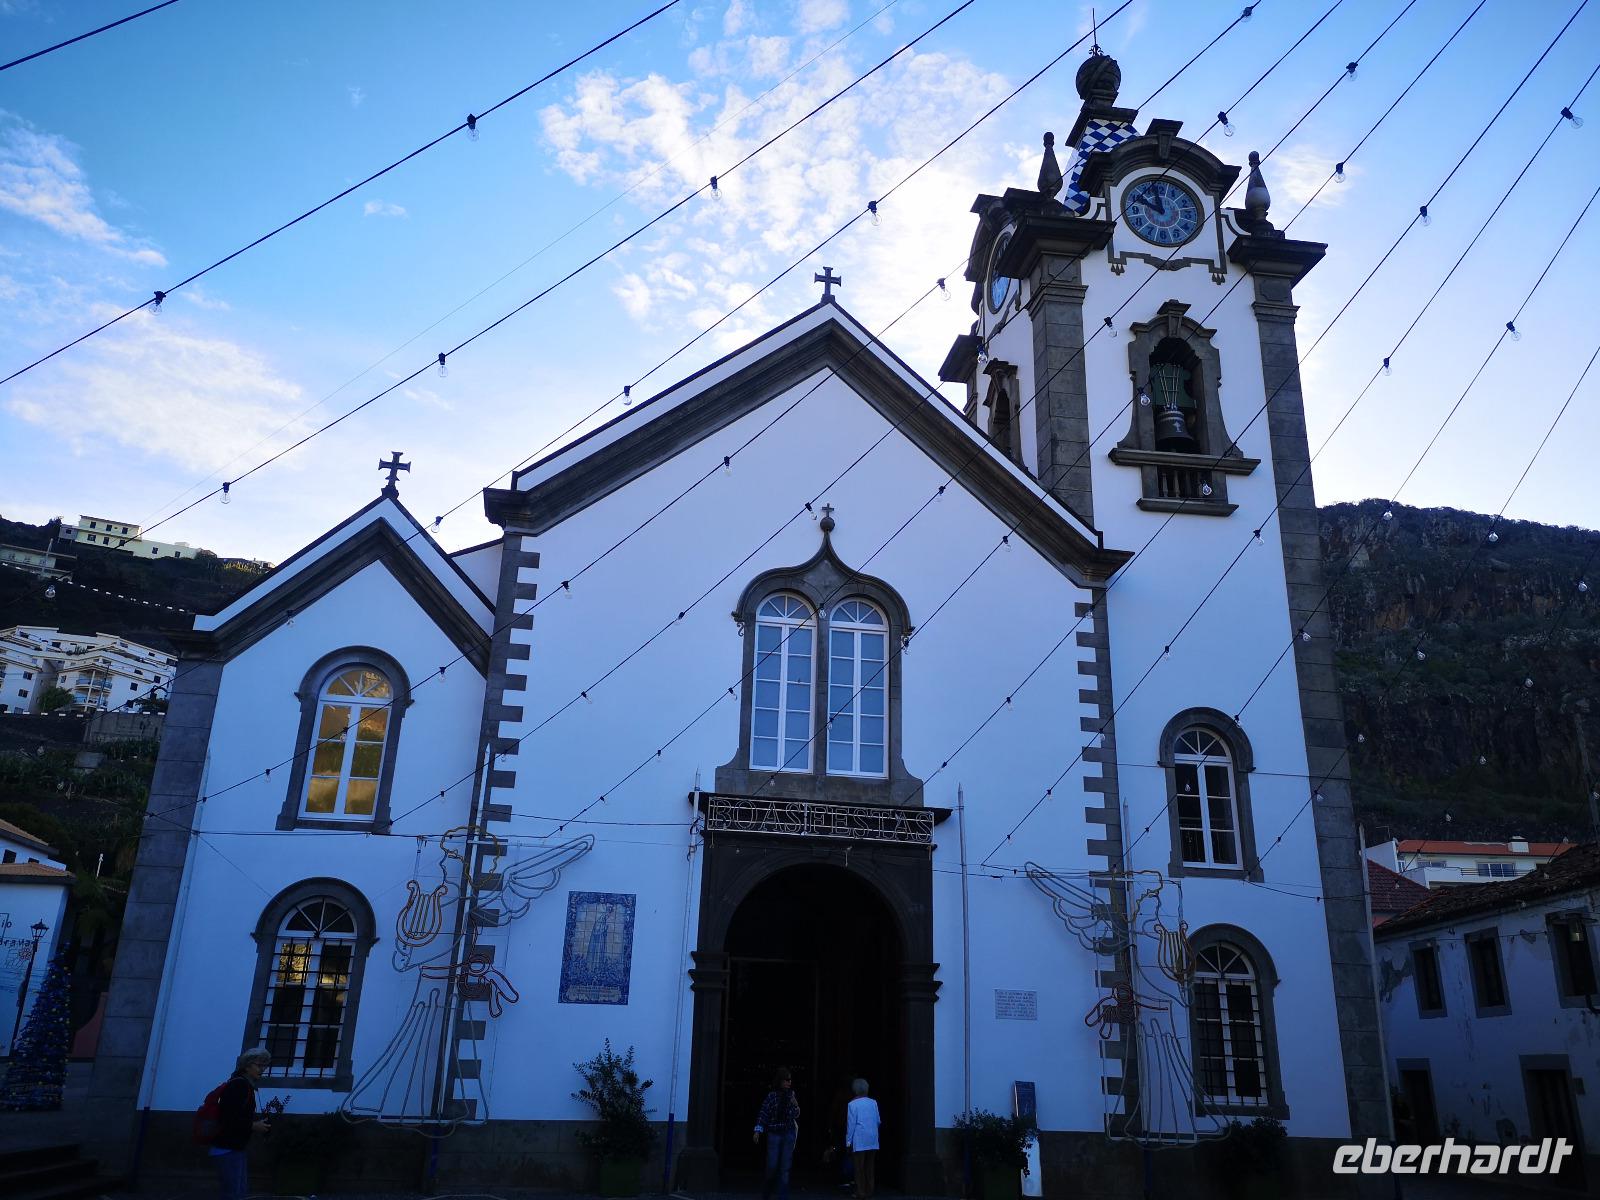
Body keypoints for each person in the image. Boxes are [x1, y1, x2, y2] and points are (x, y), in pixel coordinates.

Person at [212, 1047, 273, 1199]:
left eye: (264, 1065)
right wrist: (254, 1125)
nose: (262, 1069)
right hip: (228, 1147)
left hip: (234, 1147)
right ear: (247, 1066)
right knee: (234, 1193)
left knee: (237, 1191)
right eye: (259, 1065)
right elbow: (228, 1118)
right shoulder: (239, 1086)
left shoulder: (244, 1085)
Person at [753, 1066, 801, 1200]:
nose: (789, 1082)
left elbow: (795, 1114)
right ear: (780, 1080)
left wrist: (795, 1104)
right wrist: (758, 1130)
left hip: (788, 1132)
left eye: (790, 1080)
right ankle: (766, 1194)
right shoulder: (772, 1096)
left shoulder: (791, 1095)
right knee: (772, 1166)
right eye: (786, 1079)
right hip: (774, 1133)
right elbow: (764, 1113)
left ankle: (782, 1197)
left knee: (785, 1168)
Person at [845, 1077, 881, 1200]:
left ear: (854, 1090)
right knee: (870, 1166)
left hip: (859, 1140)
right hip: (872, 1139)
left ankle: (860, 1191)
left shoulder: (852, 1104)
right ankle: (870, 1190)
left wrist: (848, 1142)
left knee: (859, 1167)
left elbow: (851, 1125)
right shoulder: (873, 1103)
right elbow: (878, 1121)